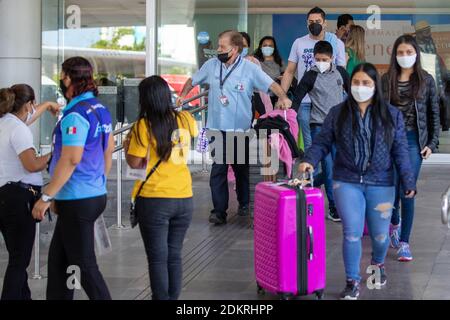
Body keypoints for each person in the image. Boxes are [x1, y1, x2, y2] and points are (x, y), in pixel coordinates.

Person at [299, 62, 416, 300]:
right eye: (356, 83)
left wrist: (408, 181)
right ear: (348, 84)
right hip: (346, 181)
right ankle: (352, 281)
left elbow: (401, 150)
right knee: (351, 233)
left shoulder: (391, 115)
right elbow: (322, 142)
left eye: (366, 83)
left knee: (380, 236)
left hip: (382, 183)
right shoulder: (337, 113)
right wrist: (309, 160)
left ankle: (377, 265)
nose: (360, 87)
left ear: (375, 86)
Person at [177, 30, 291, 225]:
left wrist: (284, 97)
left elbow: (271, 84)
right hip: (216, 127)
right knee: (219, 168)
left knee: (240, 169)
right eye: (218, 46)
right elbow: (192, 80)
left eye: (222, 47)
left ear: (235, 49)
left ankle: (244, 203)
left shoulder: (250, 69)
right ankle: (219, 211)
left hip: (239, 129)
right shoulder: (211, 65)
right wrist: (183, 94)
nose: (218, 50)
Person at [32, 57, 115, 300]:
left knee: (85, 266)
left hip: (78, 198)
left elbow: (71, 159)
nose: (60, 79)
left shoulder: (75, 115)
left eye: (62, 74)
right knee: (60, 263)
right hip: (90, 194)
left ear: (69, 78)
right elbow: (108, 150)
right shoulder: (99, 109)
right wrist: (98, 182)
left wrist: (47, 196)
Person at [124, 76, 198, 300]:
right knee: (173, 255)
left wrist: (128, 145)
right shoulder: (185, 118)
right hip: (184, 197)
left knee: (157, 258)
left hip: (155, 198)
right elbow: (193, 135)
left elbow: (134, 162)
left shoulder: (143, 126)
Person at [382, 35, 440, 262]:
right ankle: (394, 222)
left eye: (409, 52)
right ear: (395, 55)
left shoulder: (426, 80)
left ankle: (404, 242)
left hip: (414, 140)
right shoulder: (386, 80)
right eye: (400, 52)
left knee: (408, 189)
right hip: (390, 140)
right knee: (392, 189)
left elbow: (434, 114)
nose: (405, 56)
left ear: (416, 54)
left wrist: (432, 144)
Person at [0, 85, 59, 300]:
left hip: (5, 196)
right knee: (19, 260)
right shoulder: (19, 130)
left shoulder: (6, 122)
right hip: (19, 198)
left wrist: (48, 105)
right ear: (28, 104)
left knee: (17, 255)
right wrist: (55, 154)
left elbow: (28, 118)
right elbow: (32, 165)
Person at [293, 41, 350, 222]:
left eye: (324, 59)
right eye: (317, 59)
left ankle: (308, 184)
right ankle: (334, 208)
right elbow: (298, 96)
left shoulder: (340, 73)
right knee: (328, 167)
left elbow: (354, 94)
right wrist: (288, 112)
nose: (321, 62)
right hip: (319, 127)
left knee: (334, 170)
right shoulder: (311, 75)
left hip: (339, 127)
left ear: (332, 58)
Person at [281, 6, 346, 152]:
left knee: (331, 141)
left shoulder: (336, 43)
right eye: (311, 21)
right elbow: (290, 71)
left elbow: (341, 73)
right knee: (310, 142)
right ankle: (313, 173)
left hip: (328, 101)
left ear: (325, 23)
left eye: (318, 21)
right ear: (306, 23)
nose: (314, 24)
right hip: (304, 101)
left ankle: (327, 173)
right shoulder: (299, 43)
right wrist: (282, 96)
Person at [414, 20, 449, 131]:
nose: (429, 34)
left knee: (435, 112)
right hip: (423, 85)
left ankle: (435, 137)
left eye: (429, 31)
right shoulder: (415, 47)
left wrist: (440, 86)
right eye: (426, 32)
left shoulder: (430, 44)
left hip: (435, 83)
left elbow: (435, 66)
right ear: (418, 34)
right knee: (425, 114)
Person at [240, 32, 273, 117]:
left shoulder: (253, 61)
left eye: (243, 46)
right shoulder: (228, 63)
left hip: (254, 96)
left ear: (248, 46)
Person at [254, 36, 286, 106]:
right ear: (260, 47)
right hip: (257, 95)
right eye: (265, 45)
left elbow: (285, 75)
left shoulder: (279, 61)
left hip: (273, 96)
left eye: (270, 46)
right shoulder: (254, 60)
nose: (267, 47)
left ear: (274, 48)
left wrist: (282, 78)